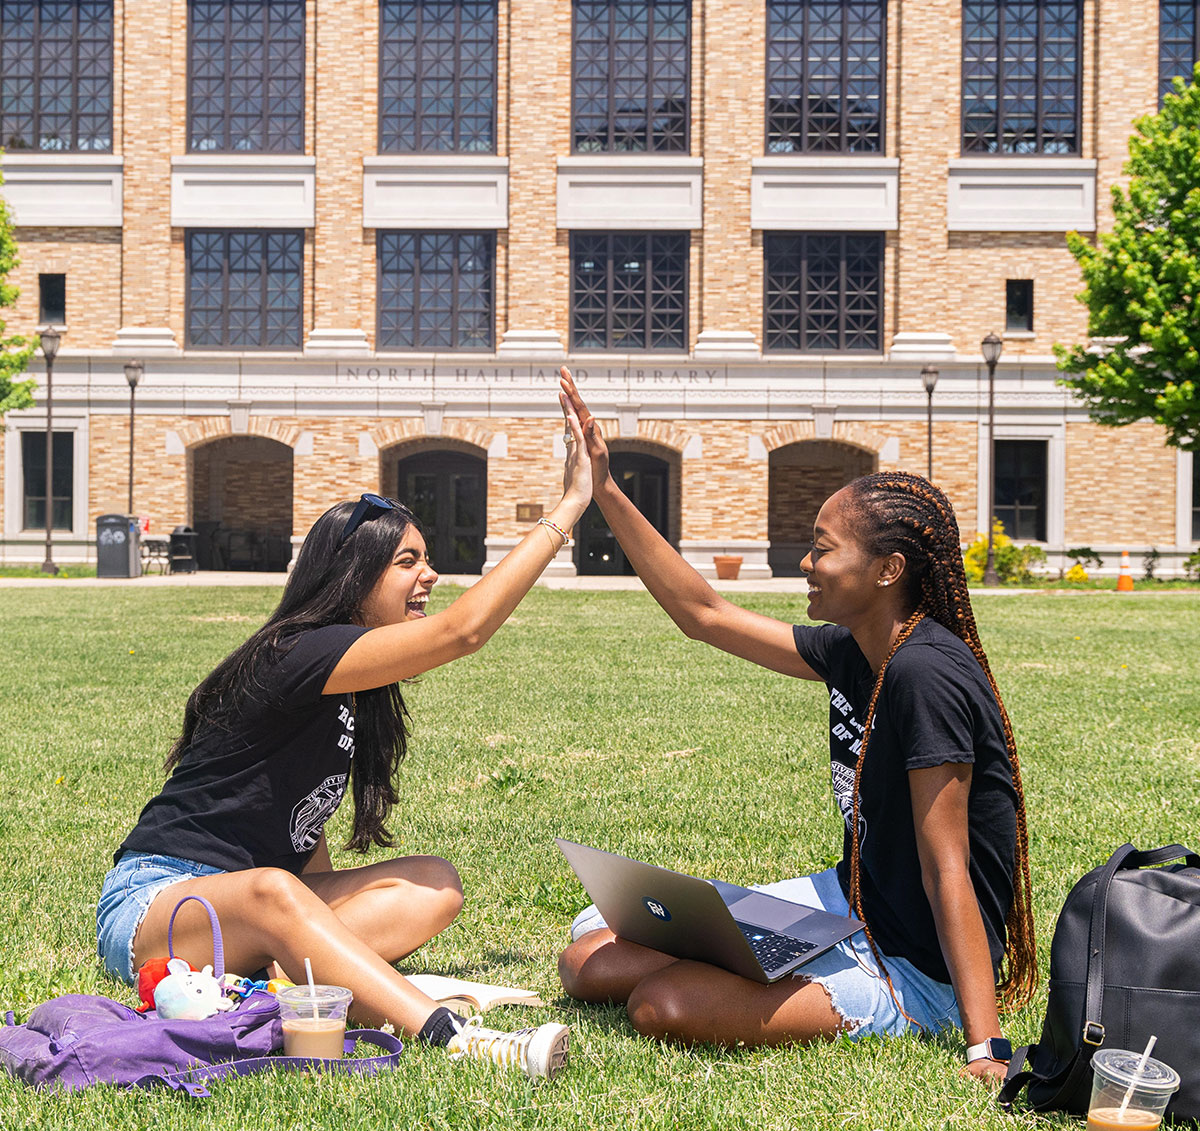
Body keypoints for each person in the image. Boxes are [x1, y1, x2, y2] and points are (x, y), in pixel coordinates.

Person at [555, 368, 1036, 1083]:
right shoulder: (858, 648)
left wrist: (983, 1045)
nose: (806, 563)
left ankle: (777, 967)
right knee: (587, 956)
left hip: (917, 967)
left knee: (663, 1005)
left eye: (823, 548)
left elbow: (948, 868)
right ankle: (756, 953)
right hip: (850, 906)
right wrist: (606, 492)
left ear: (887, 569)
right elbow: (705, 616)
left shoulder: (925, 674)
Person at [96, 399, 591, 1080]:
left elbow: (306, 840)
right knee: (274, 891)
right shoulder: (297, 653)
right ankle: (452, 1036)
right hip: (159, 904)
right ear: (355, 576)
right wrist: (567, 507)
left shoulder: (348, 685)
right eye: (408, 562)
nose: (431, 577)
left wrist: (313, 925)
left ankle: (284, 984)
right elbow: (463, 632)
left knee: (435, 885)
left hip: (263, 908)